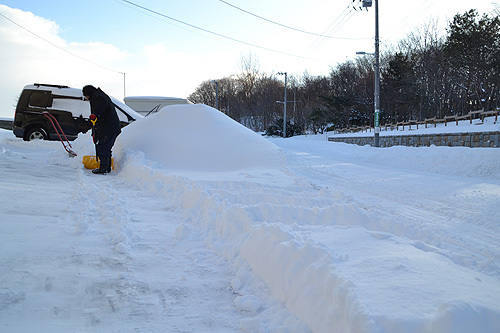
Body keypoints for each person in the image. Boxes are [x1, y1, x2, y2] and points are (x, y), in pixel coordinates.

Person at [82, 85, 121, 174]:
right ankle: (106, 168)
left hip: (108, 127)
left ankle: (103, 169)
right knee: (105, 147)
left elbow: (102, 104)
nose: (86, 98)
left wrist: (95, 113)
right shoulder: (98, 95)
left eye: (86, 96)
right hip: (108, 127)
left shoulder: (99, 97)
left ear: (89, 94)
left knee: (103, 146)